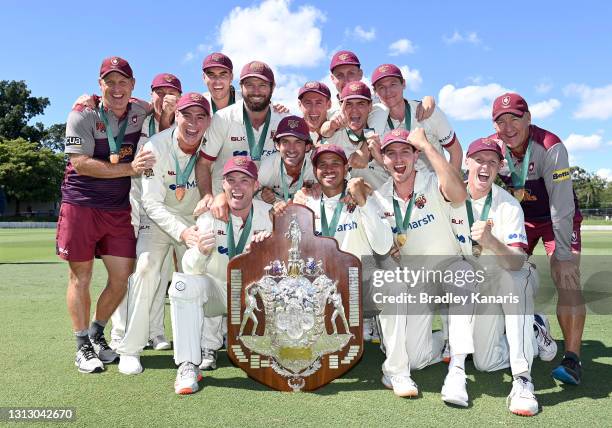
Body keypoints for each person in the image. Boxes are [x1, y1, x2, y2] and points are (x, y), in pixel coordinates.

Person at [58, 56, 155, 373]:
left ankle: (97, 334)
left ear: (132, 85)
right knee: (81, 277)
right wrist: (130, 169)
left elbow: (165, 103)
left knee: (121, 276)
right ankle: (81, 345)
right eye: (109, 82)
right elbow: (80, 163)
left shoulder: (140, 110)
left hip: (116, 209)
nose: (117, 88)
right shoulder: (81, 114)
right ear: (99, 86)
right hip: (80, 204)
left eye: (122, 81)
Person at [447, 137, 557, 415]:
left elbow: (518, 262)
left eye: (492, 162)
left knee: (512, 279)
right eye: (479, 160)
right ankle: (533, 328)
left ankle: (522, 380)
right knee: (485, 362)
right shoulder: (451, 198)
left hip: (514, 275)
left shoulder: (507, 205)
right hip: (480, 286)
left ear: (498, 168)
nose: (485, 166)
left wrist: (491, 241)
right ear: (467, 163)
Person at [490, 93, 584, 385]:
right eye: (500, 121)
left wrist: (564, 256)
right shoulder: (493, 148)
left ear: (528, 118)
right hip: (520, 219)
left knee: (565, 275)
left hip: (555, 217)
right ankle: (527, 327)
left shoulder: (550, 146)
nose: (508, 127)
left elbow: (561, 206)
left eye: (514, 119)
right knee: (499, 272)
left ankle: (572, 359)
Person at [117, 93, 211, 375]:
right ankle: (129, 349)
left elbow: (214, 192)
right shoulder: (155, 146)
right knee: (145, 269)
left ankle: (201, 346)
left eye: (201, 117)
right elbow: (151, 202)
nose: (193, 124)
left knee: (198, 272)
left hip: (194, 217)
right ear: (176, 116)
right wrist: (182, 232)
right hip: (160, 219)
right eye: (187, 116)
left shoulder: (211, 144)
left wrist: (200, 226)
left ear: (208, 121)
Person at [371, 128, 467, 398]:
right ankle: (445, 339)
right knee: (415, 359)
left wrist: (428, 145)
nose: (398, 159)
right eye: (391, 154)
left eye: (405, 151)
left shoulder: (433, 180)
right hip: (416, 283)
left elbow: (459, 195)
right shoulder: (379, 197)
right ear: (384, 159)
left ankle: (459, 365)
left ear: (416, 155)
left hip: (447, 273)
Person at [171, 156, 273, 394]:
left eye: (244, 180)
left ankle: (264, 348)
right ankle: (188, 364)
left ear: (256, 185)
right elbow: (190, 269)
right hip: (220, 292)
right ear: (223, 185)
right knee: (182, 285)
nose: (237, 187)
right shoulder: (209, 216)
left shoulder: (271, 215)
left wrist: (268, 251)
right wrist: (200, 252)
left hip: (256, 297)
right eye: (231, 180)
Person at [110, 73, 182, 352]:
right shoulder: (137, 116)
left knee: (160, 271)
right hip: (133, 203)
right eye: (159, 92)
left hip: (165, 209)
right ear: (150, 94)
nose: (165, 97)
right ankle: (120, 332)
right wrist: (85, 101)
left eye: (172, 92)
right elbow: (110, 100)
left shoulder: (185, 123)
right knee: (126, 272)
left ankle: (155, 331)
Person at [368, 63, 463, 172]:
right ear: (375, 92)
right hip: (400, 183)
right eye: (381, 87)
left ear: (403, 84)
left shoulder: (428, 111)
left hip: (435, 183)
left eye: (393, 84)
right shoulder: (373, 119)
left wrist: (451, 186)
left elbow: (456, 152)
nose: (388, 91)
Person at [258, 115, 315, 204]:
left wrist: (321, 188)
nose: (291, 149)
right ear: (277, 145)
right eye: (285, 142)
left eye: (298, 142)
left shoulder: (316, 165)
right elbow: (251, 191)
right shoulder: (267, 168)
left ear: (307, 147)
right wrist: (262, 195)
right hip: (276, 212)